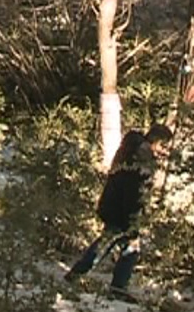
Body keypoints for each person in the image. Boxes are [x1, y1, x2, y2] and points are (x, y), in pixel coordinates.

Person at [64, 124, 173, 295]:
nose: (165, 151)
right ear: (156, 141)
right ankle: (86, 279)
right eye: (164, 145)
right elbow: (133, 192)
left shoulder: (131, 150)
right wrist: (132, 221)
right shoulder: (142, 159)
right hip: (121, 211)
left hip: (114, 206)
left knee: (119, 246)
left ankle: (102, 282)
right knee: (115, 245)